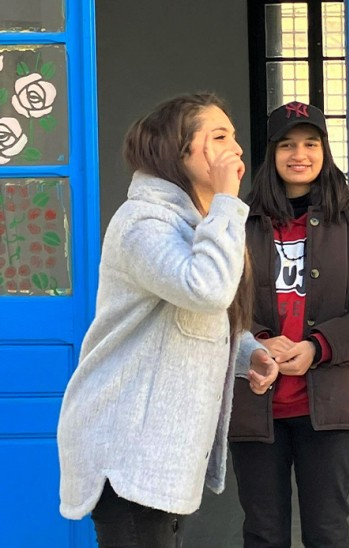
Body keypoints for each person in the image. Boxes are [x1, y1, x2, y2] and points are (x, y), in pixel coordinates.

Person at [57, 93, 279, 547]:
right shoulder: (143, 223)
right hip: (127, 449)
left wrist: (246, 352)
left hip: (158, 454)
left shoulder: (194, 222)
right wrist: (228, 203)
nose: (236, 148)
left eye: (234, 136)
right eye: (219, 137)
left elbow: (189, 317)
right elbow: (206, 289)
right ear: (177, 152)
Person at [228, 101, 349, 548]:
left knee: (327, 530)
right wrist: (261, 345)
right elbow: (220, 305)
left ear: (324, 150)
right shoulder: (240, 222)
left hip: (331, 404)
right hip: (255, 401)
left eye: (310, 143)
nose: (298, 154)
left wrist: (317, 348)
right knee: (263, 533)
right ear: (272, 153)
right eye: (286, 144)